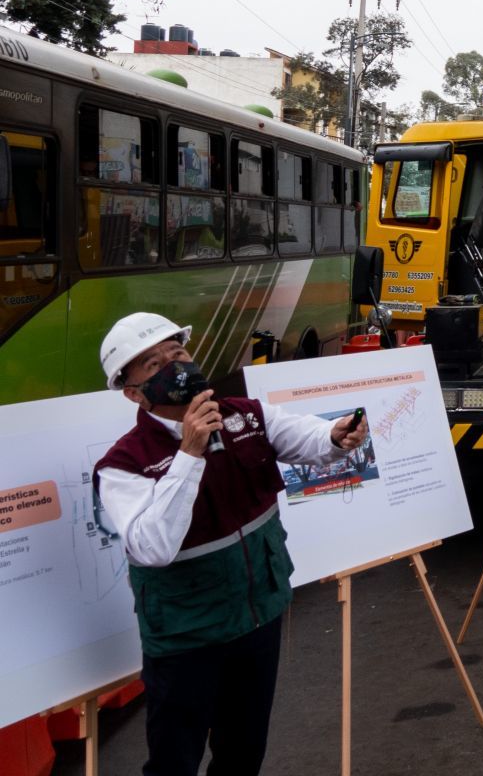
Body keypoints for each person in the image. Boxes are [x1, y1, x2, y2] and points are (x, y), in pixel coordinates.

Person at [93, 312, 368, 776]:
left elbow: (305, 436)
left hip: (257, 617)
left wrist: (335, 436)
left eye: (178, 352)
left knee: (243, 751)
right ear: (133, 393)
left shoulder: (245, 414)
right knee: (173, 761)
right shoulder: (122, 465)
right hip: (187, 636)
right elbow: (151, 547)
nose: (175, 365)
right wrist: (189, 454)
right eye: (154, 364)